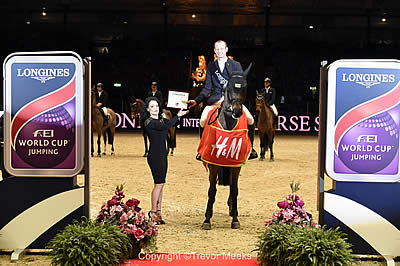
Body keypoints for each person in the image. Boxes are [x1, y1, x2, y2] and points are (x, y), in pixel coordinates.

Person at [187, 40, 258, 160]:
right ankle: (202, 149)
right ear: (215, 51)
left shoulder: (236, 65)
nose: (220, 51)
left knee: (250, 119)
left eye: (222, 49)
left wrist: (236, 99)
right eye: (217, 49)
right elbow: (207, 88)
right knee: (203, 120)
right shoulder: (211, 66)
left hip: (233, 100)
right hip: (215, 101)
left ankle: (250, 149)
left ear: (226, 49)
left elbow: (239, 85)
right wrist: (196, 100)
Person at [143, 97, 188, 224]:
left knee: (161, 185)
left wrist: (180, 112)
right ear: (147, 109)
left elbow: (173, 124)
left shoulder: (162, 120)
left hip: (162, 155)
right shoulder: (149, 122)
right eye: (152, 106)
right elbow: (166, 126)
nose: (155, 108)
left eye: (156, 105)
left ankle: (158, 212)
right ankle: (152, 212)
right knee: (158, 184)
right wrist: (177, 116)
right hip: (155, 156)